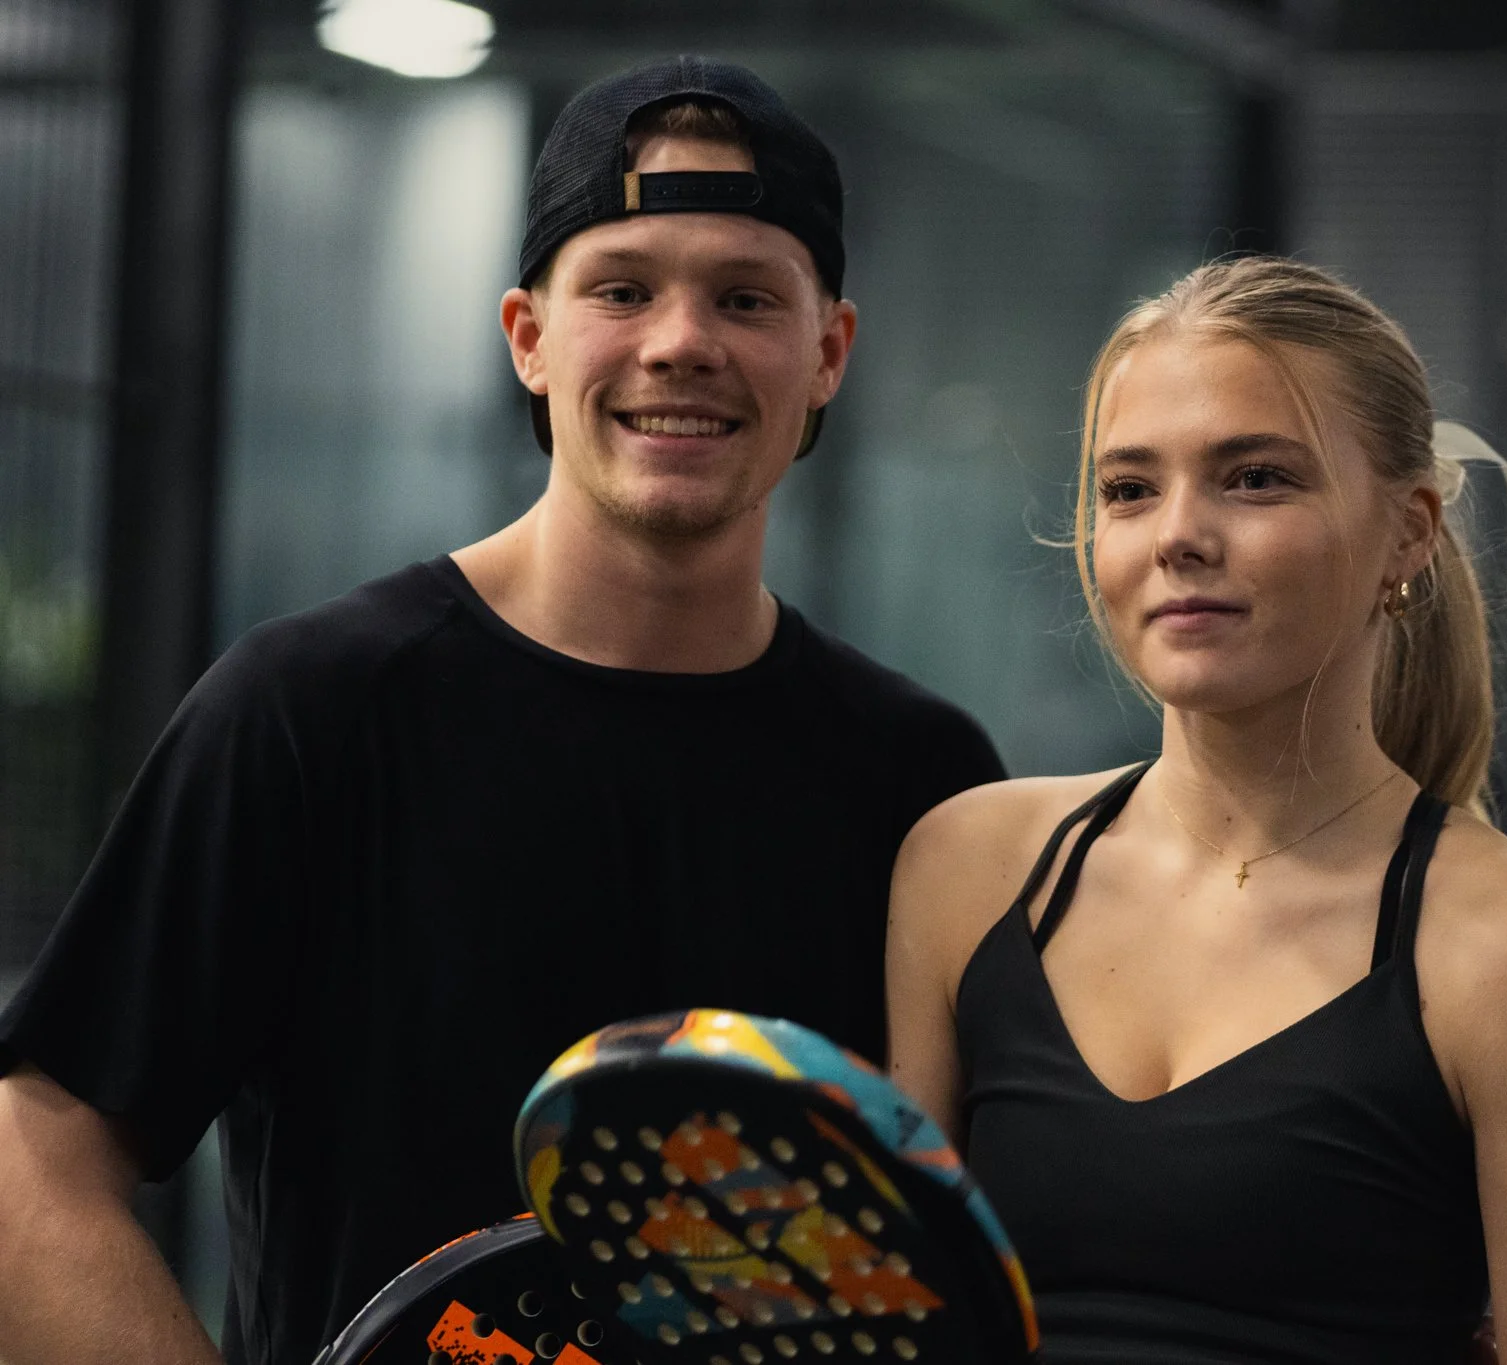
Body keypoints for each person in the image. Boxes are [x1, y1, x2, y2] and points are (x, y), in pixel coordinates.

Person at [0, 56, 1003, 1365]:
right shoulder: (316, 708)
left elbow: (948, 1232)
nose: (682, 342)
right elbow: (38, 1146)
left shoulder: (922, 779)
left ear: (828, 353)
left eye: (745, 296)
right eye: (623, 289)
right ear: (529, 337)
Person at [887, 256, 1507, 1365]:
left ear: (1406, 533)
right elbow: (905, 1317)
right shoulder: (968, 867)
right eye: (1127, 488)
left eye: (1254, 479)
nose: (1177, 534)